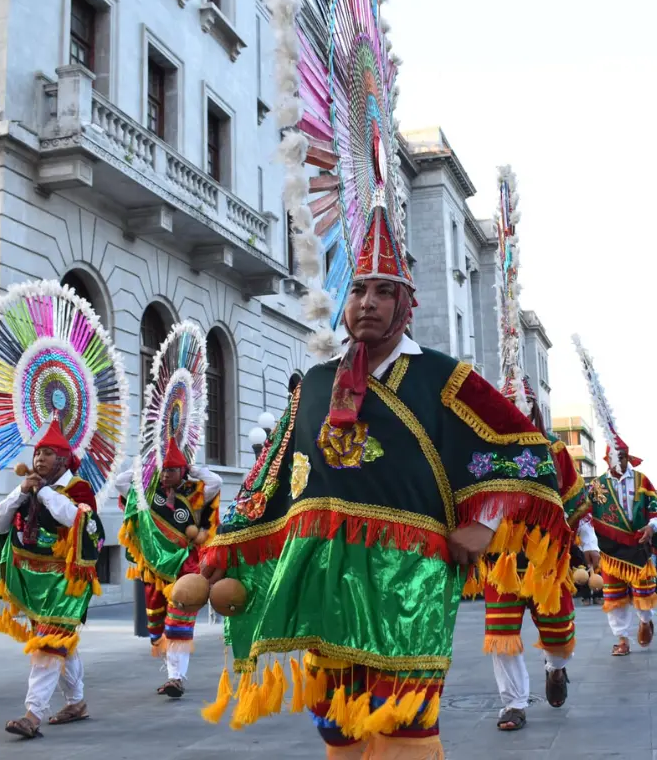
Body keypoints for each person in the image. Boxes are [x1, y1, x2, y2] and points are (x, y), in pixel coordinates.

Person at [197, 215, 571, 758]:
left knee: (405, 724)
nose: (367, 302)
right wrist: (220, 550)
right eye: (358, 290)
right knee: (337, 728)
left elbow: (526, 449)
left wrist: (485, 523)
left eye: (383, 292)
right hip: (324, 574)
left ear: (406, 306)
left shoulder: (442, 376)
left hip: (409, 575)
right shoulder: (319, 381)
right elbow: (271, 474)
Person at [480, 374, 593, 732]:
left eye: (519, 406)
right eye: (506, 405)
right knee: (502, 636)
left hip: (547, 558)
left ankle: (555, 668)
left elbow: (574, 500)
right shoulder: (483, 449)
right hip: (501, 560)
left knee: (559, 635)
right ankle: (513, 704)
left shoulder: (555, 451)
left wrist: (588, 544)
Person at [0, 420, 104, 739]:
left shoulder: (78, 489)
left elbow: (77, 521)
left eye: (47, 454)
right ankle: (76, 703)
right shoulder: (28, 487)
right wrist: (20, 493)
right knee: (62, 644)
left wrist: (44, 492)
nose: (40, 460)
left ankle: (33, 714)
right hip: (32, 581)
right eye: (37, 453)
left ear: (62, 458)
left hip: (66, 580)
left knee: (48, 644)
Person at [117, 439, 222, 698]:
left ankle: (176, 677)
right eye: (163, 470)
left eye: (171, 470)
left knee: (179, 621)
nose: (165, 475)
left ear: (182, 471)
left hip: (185, 565)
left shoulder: (195, 493)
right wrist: (147, 466)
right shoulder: (148, 491)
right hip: (154, 568)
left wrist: (191, 468)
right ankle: (172, 667)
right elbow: (121, 483)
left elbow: (216, 482)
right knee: (156, 626)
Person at [587, 435, 657, 656]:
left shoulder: (642, 480)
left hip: (638, 545)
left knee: (644, 594)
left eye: (621, 456)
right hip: (610, 551)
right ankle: (622, 639)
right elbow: (587, 515)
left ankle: (645, 621)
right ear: (606, 459)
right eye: (613, 457)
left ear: (627, 457)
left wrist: (651, 527)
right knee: (615, 598)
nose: (617, 461)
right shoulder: (597, 486)